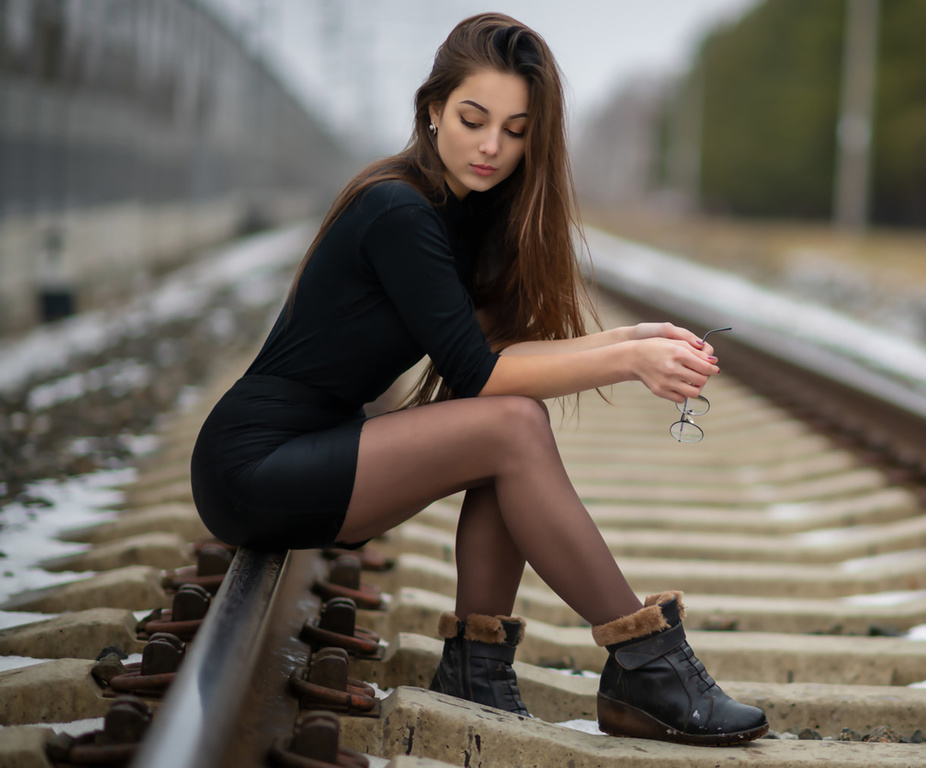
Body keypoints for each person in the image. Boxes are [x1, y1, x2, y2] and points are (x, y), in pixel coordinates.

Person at [189, 12, 767, 748]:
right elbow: (479, 373)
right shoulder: (396, 207)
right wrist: (626, 357)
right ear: (432, 110)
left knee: (511, 423)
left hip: (317, 447)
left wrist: (634, 337)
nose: (492, 146)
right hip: (254, 463)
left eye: (516, 129)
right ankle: (646, 660)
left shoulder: (464, 219)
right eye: (472, 118)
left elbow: (498, 363)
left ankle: (478, 667)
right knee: (512, 423)